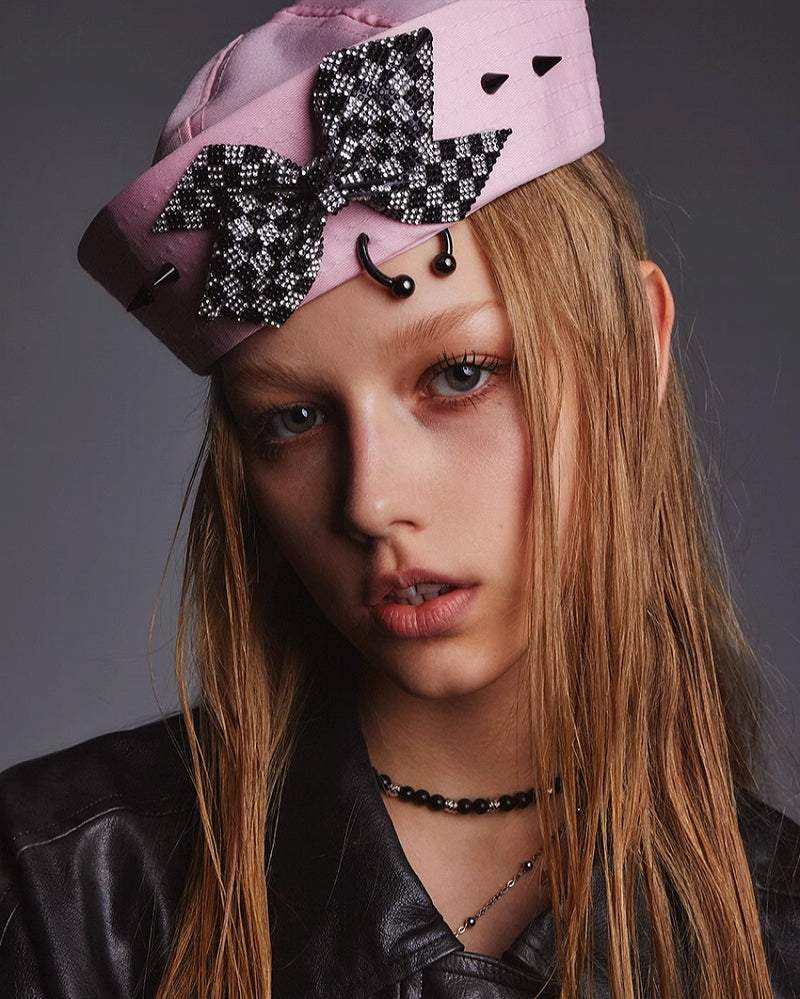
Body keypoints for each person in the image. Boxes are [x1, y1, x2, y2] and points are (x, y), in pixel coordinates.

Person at [1, 1, 798, 997]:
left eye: (460, 376)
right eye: (292, 419)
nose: (372, 503)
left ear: (634, 350)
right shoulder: (54, 894)